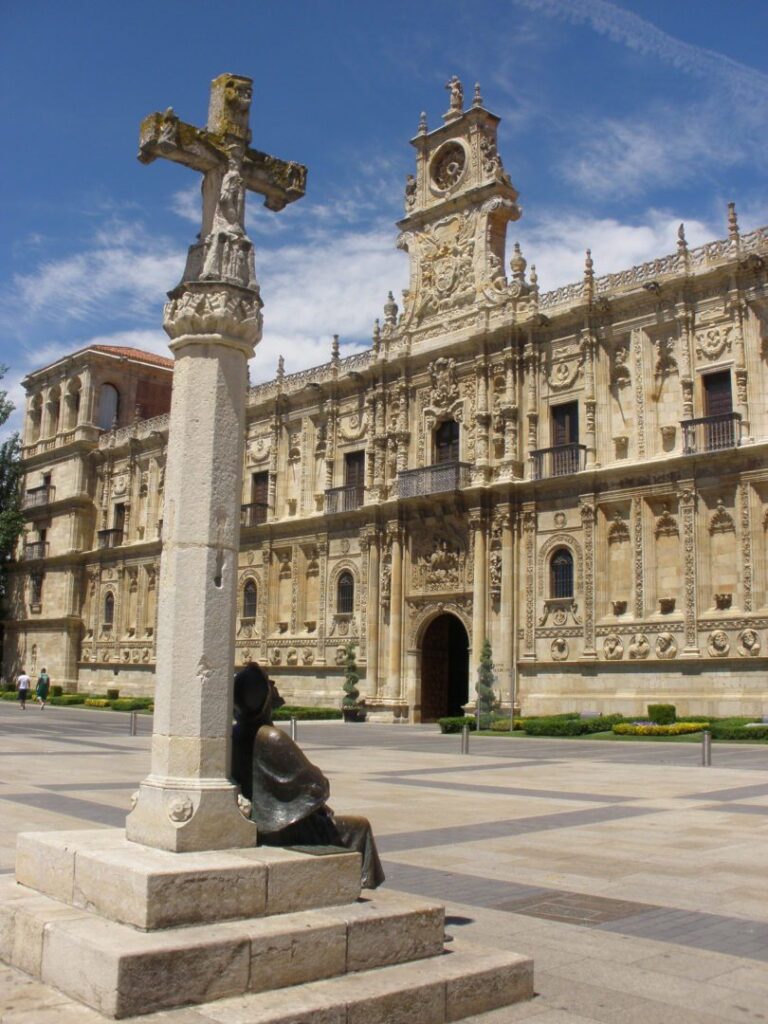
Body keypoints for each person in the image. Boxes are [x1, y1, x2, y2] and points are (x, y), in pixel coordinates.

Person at [231, 661, 385, 889]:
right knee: (359, 827)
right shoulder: (271, 737)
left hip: (258, 821)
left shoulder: (232, 734)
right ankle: (358, 888)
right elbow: (316, 788)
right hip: (283, 828)